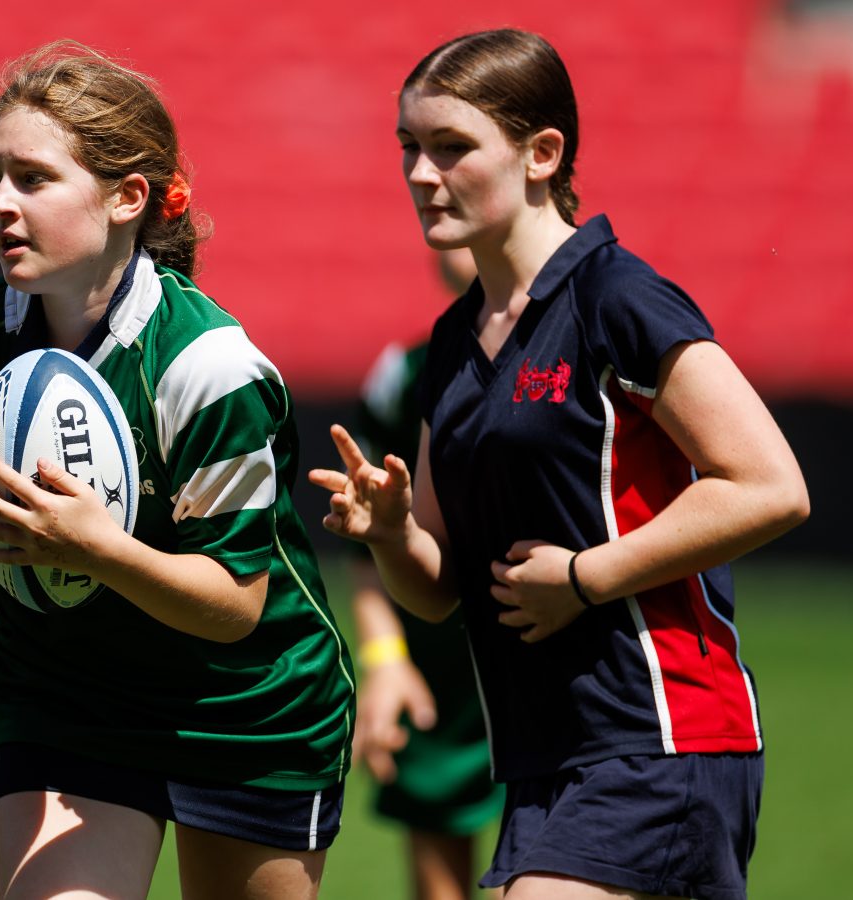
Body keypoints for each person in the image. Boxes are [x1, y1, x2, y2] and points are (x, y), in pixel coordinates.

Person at [310, 29, 809, 900]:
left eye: (452, 148)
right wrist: (391, 537)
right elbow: (441, 588)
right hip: (541, 763)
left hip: (662, 737)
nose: (421, 174)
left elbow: (771, 486)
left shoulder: (618, 297)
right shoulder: (453, 340)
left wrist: (584, 575)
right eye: (410, 148)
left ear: (543, 153)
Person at [0, 41, 355, 900]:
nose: (0, 203)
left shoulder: (208, 368)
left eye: (33, 179)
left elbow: (234, 608)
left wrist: (97, 547)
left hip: (242, 711)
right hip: (67, 696)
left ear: (127, 198)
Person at [350, 249, 504, 900]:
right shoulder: (402, 378)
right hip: (438, 682)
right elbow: (367, 552)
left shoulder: (577, 357)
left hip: (552, 668)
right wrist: (385, 659)